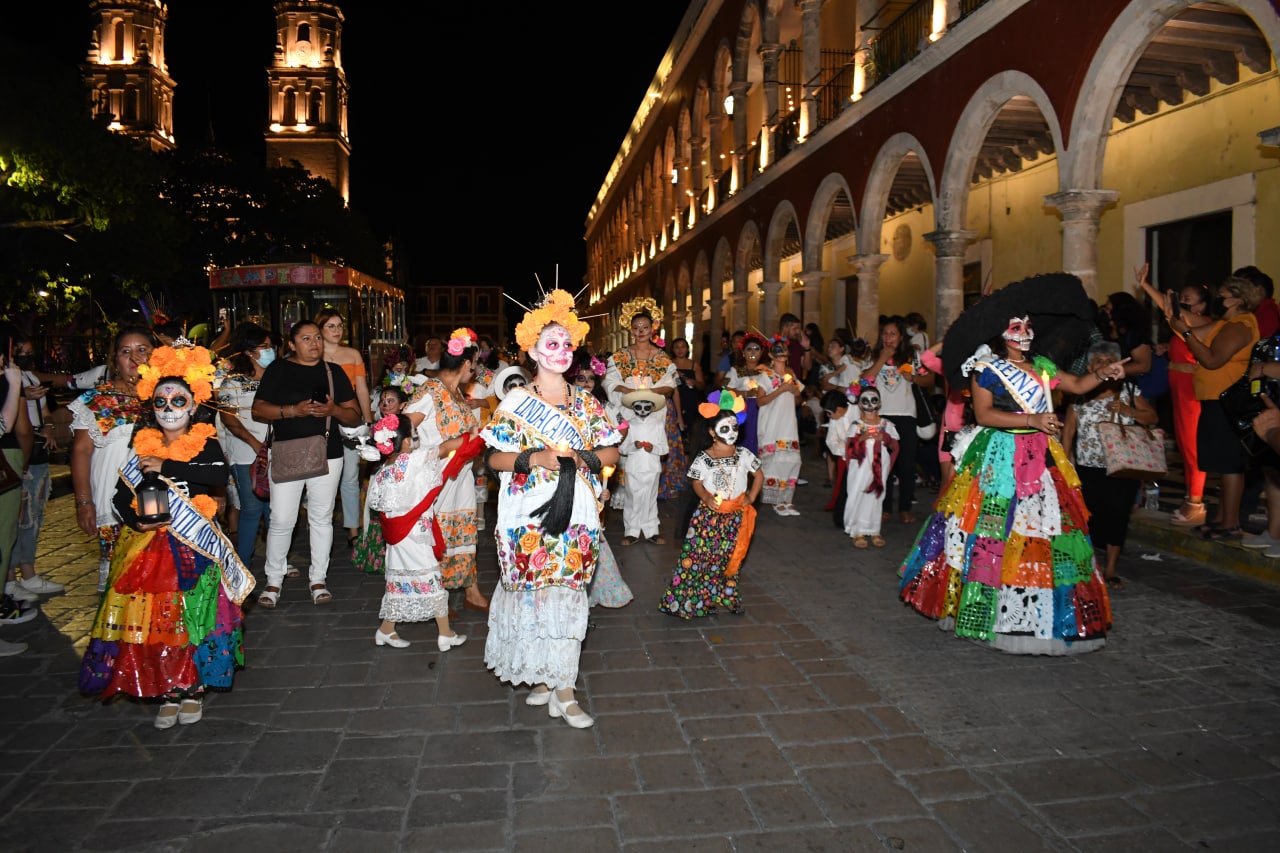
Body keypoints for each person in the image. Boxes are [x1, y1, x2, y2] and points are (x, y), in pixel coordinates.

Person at [899, 275, 1129, 655]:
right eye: (1016, 327)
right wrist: (1032, 421)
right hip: (1000, 456)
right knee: (992, 533)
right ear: (1001, 334)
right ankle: (989, 613)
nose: (1024, 332)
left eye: (1028, 326)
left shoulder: (1042, 364)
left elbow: (1075, 385)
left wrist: (1102, 374)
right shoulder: (985, 368)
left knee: (1042, 535)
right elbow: (986, 414)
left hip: (1041, 459)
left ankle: (1034, 617)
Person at [77, 342, 253, 729]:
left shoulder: (205, 442)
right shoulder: (140, 445)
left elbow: (215, 476)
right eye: (161, 402)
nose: (170, 409)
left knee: (194, 618)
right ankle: (169, 689)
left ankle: (192, 688)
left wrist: (168, 464)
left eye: (178, 401)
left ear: (193, 405)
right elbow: (122, 495)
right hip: (150, 551)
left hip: (193, 549)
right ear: (151, 406)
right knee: (161, 624)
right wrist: (135, 521)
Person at [482, 288, 621, 728]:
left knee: (567, 591)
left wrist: (585, 459)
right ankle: (544, 677)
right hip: (526, 511)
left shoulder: (586, 403)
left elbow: (612, 452)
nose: (560, 351)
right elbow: (493, 459)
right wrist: (535, 458)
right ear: (532, 349)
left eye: (566, 343)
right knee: (536, 592)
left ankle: (565, 689)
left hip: (575, 510)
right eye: (551, 343)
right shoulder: (517, 404)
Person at [250, 320, 362, 607]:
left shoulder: (332, 372)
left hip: (328, 453)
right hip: (287, 451)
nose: (314, 343)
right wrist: (292, 411)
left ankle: (318, 578)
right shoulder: (279, 370)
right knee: (282, 519)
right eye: (305, 338)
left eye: (317, 338)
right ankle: (273, 581)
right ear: (291, 344)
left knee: (321, 518)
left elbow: (354, 416)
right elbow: (258, 409)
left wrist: (333, 409)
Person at [1164, 275, 1260, 541]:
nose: (1219, 297)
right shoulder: (1223, 323)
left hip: (1227, 400)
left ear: (1239, 299)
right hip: (1212, 398)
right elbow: (1192, 335)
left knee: (1230, 464)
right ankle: (1220, 518)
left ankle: (1231, 523)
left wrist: (1183, 330)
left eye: (1225, 293)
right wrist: (1176, 316)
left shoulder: (1240, 326)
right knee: (1218, 461)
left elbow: (1212, 359)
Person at [363, 411, 466, 652]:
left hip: (397, 536)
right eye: (413, 435)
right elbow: (445, 448)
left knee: (399, 579)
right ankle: (445, 634)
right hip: (413, 533)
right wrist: (472, 436)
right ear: (406, 441)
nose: (415, 440)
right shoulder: (413, 460)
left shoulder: (382, 469)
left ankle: (386, 630)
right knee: (430, 579)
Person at [1061, 341, 1159, 588]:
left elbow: (1153, 417)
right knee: (1089, 516)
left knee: (1117, 516)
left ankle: (1111, 568)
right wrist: (1064, 462)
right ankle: (1089, 564)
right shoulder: (1081, 394)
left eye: (1108, 360)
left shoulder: (1128, 390)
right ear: (1091, 365)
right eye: (1098, 361)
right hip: (1087, 466)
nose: (1104, 365)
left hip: (1121, 467)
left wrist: (1130, 411)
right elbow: (1069, 430)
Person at [658, 391, 762, 619]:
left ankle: (725, 594)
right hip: (710, 517)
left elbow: (759, 475)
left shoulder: (743, 454)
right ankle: (699, 599)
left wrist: (751, 497)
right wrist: (705, 497)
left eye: (734, 427)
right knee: (703, 559)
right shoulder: (704, 458)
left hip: (735, 516)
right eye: (725, 429)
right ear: (712, 432)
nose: (732, 433)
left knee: (730, 558)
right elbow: (696, 481)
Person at [69, 326, 158, 593]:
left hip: (159, 502)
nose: (135, 358)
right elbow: (81, 452)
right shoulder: (98, 400)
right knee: (118, 579)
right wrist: (84, 502)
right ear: (114, 360)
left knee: (157, 576)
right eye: (125, 351)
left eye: (142, 350)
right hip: (113, 504)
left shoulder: (166, 397)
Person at [408, 327, 489, 613]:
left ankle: (471, 589)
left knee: (464, 533)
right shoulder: (431, 392)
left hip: (461, 477)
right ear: (467, 363)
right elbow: (405, 428)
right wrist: (438, 450)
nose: (476, 369)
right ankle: (434, 594)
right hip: (436, 476)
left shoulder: (456, 393)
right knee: (436, 534)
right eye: (476, 363)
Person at [1136, 266, 1215, 526]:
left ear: (1202, 306)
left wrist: (1164, 298)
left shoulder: (1203, 323)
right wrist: (1145, 285)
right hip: (1180, 389)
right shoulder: (1183, 323)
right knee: (1184, 444)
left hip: (1193, 390)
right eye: (1182, 299)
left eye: (1188, 299)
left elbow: (1171, 311)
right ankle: (1192, 497)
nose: (1182, 303)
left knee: (1193, 446)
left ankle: (1196, 502)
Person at [604, 298, 678, 522]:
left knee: (650, 458)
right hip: (628, 412)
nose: (641, 331)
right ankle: (631, 516)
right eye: (636, 328)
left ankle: (648, 514)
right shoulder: (620, 356)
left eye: (645, 327)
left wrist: (650, 395)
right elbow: (609, 382)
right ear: (631, 330)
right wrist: (627, 391)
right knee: (631, 457)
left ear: (652, 328)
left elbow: (670, 385)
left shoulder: (661, 357)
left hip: (652, 413)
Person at [569, 352, 633, 608]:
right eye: (580, 379)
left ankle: (600, 587)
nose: (585, 384)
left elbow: (622, 426)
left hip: (593, 468)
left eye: (590, 380)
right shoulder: (565, 403)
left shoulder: (604, 407)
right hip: (565, 469)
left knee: (593, 526)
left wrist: (607, 446)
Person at [5, 334, 65, 601]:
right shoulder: (11, 382)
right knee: (14, 520)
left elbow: (45, 412)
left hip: (36, 452)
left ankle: (27, 573)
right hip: (18, 452)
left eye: (29, 352)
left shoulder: (28, 378)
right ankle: (9, 578)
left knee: (33, 516)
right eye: (20, 351)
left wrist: (49, 427)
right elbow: (16, 427)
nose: (25, 357)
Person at [215, 322, 275, 568]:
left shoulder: (276, 378)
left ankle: (276, 562)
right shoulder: (234, 383)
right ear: (250, 352)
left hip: (277, 453)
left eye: (271, 346)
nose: (271, 351)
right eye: (264, 347)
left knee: (276, 512)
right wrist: (254, 443)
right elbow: (229, 419)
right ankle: (244, 565)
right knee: (251, 510)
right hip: (246, 454)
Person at [861, 316, 930, 524]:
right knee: (883, 463)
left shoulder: (912, 356)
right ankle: (885, 506)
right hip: (881, 416)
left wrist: (914, 378)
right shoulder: (873, 356)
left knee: (907, 463)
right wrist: (882, 359)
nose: (888, 338)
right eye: (885, 334)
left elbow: (929, 380)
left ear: (901, 337)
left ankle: (905, 507)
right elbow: (864, 381)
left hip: (906, 415)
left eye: (893, 334)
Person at [314, 310, 372, 548]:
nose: (337, 330)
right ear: (320, 329)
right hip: (319, 420)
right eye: (330, 326)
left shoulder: (352, 354)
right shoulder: (311, 355)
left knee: (350, 476)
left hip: (349, 420)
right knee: (320, 475)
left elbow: (361, 390)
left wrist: (367, 422)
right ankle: (319, 523)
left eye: (339, 325)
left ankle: (352, 528)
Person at [828, 383, 898, 549]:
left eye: (874, 400)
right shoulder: (856, 425)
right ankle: (857, 529)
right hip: (860, 466)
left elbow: (895, 445)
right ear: (860, 404)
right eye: (865, 401)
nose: (870, 404)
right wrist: (862, 437)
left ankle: (874, 529)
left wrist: (885, 439)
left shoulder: (886, 424)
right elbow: (849, 446)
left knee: (876, 496)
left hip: (879, 464)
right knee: (857, 493)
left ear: (879, 403)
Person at [352, 384, 412, 576]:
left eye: (390, 401)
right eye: (383, 401)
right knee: (374, 515)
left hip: (396, 476)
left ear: (403, 405)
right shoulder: (377, 424)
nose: (385, 404)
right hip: (376, 474)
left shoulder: (407, 425)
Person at [758, 337, 804, 515]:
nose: (782, 354)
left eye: (784, 350)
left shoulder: (791, 373)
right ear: (770, 354)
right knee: (774, 461)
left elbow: (799, 399)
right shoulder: (765, 375)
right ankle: (775, 500)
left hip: (788, 422)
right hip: (772, 423)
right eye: (778, 351)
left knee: (792, 460)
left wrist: (794, 391)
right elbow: (760, 401)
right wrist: (780, 390)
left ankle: (787, 499)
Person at [722, 333, 771, 456]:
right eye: (749, 349)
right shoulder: (734, 370)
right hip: (744, 409)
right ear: (743, 352)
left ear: (762, 352)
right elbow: (725, 389)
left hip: (764, 408)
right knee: (746, 439)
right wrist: (745, 393)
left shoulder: (768, 370)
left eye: (756, 349)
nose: (753, 352)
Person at [669, 337, 705, 455]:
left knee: (689, 430)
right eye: (677, 347)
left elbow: (702, 385)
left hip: (690, 400)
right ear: (673, 349)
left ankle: (689, 456)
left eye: (683, 347)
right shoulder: (669, 364)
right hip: (673, 398)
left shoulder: (693, 365)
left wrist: (695, 382)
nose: (680, 350)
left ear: (687, 349)